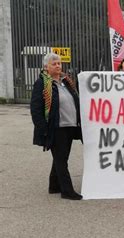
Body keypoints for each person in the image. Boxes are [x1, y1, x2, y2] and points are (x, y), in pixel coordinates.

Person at [30, 53, 83, 200]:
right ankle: (67, 191)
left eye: (59, 63)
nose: (58, 66)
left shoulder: (66, 81)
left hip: (70, 125)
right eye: (54, 64)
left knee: (61, 157)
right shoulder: (42, 83)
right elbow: (35, 109)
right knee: (61, 159)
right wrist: (44, 129)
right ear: (46, 67)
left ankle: (54, 186)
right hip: (56, 127)